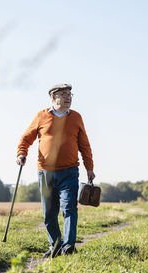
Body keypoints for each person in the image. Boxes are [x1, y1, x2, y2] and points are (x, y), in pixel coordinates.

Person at [16, 83, 95, 258]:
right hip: (45, 172)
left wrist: (89, 167)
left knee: (69, 208)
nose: (68, 97)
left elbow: (85, 145)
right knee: (49, 212)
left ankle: (68, 246)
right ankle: (56, 245)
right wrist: (21, 154)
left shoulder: (76, 117)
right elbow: (26, 138)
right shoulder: (41, 116)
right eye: (63, 94)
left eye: (70, 94)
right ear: (53, 97)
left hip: (70, 172)